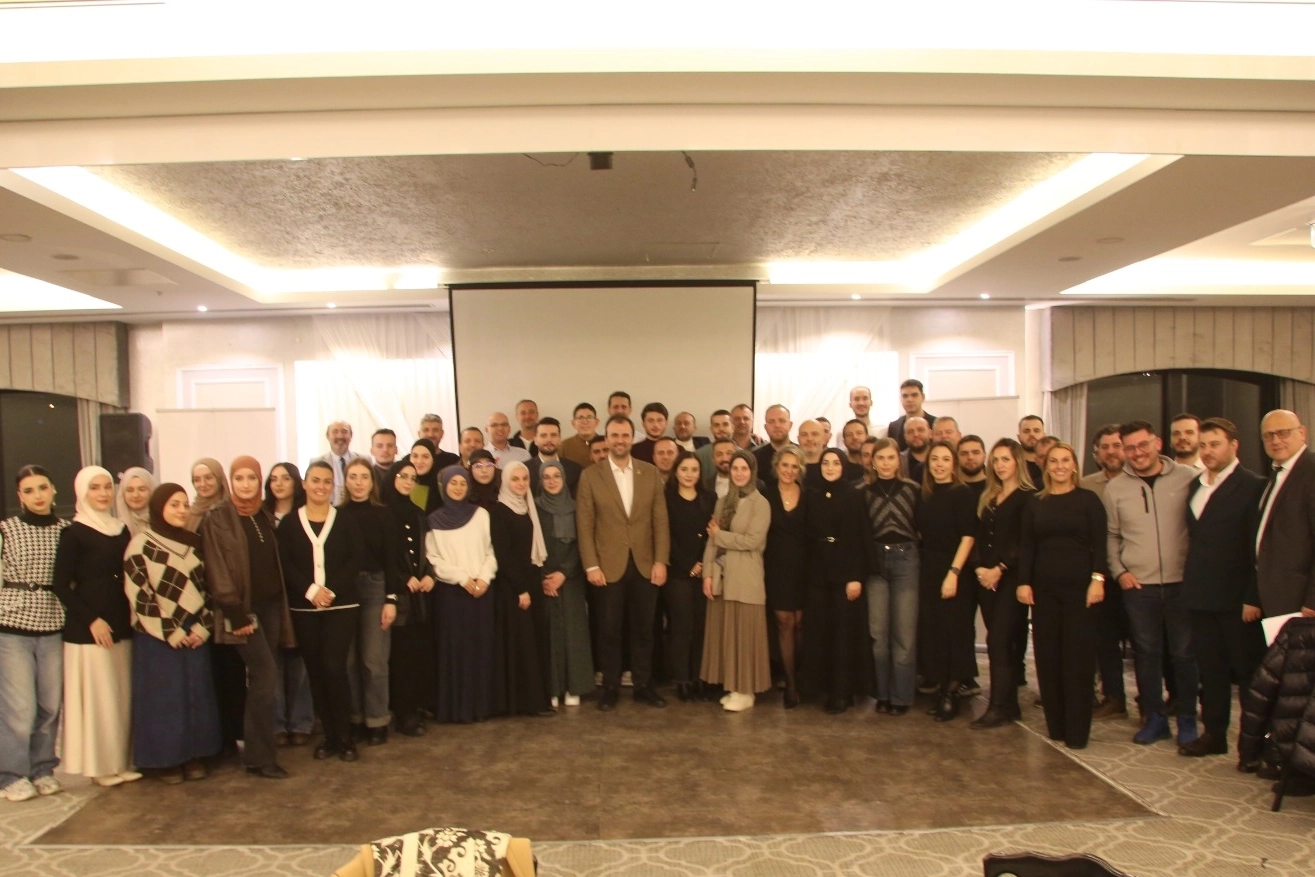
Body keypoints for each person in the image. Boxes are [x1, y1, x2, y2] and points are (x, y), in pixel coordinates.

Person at [1103, 419, 1198, 746]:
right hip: (1139, 587)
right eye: (1130, 448)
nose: (1137, 453)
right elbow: (1111, 535)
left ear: (1157, 443)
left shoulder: (1187, 478)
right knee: (1146, 655)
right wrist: (1119, 572)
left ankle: (1187, 719)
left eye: (1143, 445)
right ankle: (1155, 718)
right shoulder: (1116, 488)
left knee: (1184, 655)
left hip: (1182, 584)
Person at [200, 456, 296, 779]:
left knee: (263, 678)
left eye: (251, 478)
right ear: (231, 481)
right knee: (264, 675)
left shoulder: (263, 514)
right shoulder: (218, 518)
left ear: (259, 481)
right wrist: (235, 612)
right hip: (243, 611)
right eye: (239, 478)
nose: (245, 485)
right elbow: (216, 568)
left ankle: (260, 749)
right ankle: (258, 757)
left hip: (271, 606)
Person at [1180, 417, 1266, 758]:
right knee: (1211, 671)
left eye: (1215, 444)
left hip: (1237, 599)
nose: (1207, 451)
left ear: (1234, 445)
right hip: (1201, 596)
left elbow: (1258, 549)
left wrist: (1253, 596)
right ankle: (1214, 735)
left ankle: (1252, 745)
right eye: (1203, 445)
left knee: (1247, 674)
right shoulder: (1195, 485)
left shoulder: (1253, 486)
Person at [124, 483, 221, 783]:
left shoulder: (195, 543)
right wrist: (170, 631)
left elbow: (210, 589)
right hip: (157, 636)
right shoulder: (140, 545)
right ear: (159, 508)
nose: (181, 510)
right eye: (173, 505)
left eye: (184, 505)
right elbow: (140, 596)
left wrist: (202, 628)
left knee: (195, 695)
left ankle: (194, 755)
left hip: (194, 632)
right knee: (164, 699)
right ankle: (165, 761)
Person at [51, 466, 139, 787]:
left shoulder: (121, 529)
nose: (102, 493)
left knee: (119, 698)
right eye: (95, 488)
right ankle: (100, 767)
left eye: (106, 487)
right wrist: (92, 620)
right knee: (99, 700)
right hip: (90, 630)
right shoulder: (74, 533)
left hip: (121, 623)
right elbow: (61, 585)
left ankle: (119, 762)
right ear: (82, 492)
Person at [1017, 442, 1108, 750]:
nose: (1059, 466)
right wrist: (1023, 582)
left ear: (1074, 465)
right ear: (1046, 466)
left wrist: (1098, 579)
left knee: (1077, 659)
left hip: (1081, 590)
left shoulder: (1088, 500)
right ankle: (1056, 726)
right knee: (1048, 656)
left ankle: (1077, 731)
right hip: (1044, 591)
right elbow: (1027, 545)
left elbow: (1101, 544)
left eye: (1065, 460)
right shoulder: (1035, 503)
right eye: (1053, 461)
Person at [576, 414, 670, 711]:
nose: (620, 440)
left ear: (632, 438)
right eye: (614, 435)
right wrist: (591, 565)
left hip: (645, 564)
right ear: (607, 438)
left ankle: (643, 685)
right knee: (609, 631)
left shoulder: (649, 472)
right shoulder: (591, 475)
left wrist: (661, 561)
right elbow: (585, 525)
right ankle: (610, 686)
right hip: (607, 567)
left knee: (644, 630)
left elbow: (660, 521)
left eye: (625, 435)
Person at [276, 460, 365, 762]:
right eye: (315, 480)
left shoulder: (346, 520)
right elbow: (285, 562)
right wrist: (311, 590)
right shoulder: (290, 523)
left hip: (342, 605)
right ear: (304, 484)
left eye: (327, 481)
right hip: (304, 607)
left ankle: (345, 737)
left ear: (333, 486)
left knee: (334, 668)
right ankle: (328, 737)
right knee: (315, 671)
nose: (321, 486)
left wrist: (331, 590)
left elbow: (355, 559)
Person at [0, 465, 71, 802]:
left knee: (50, 704)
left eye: (42, 487)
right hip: (12, 625)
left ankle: (42, 768)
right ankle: (11, 774)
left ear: (53, 489)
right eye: (29, 490)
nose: (38, 495)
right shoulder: (7, 529)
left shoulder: (66, 530)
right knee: (19, 707)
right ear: (20, 496)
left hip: (53, 622)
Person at [969, 439, 1034, 730]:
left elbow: (1025, 541)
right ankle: (1010, 705)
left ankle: (997, 706)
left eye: (1005, 459)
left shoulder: (1028, 497)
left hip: (1011, 578)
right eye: (995, 460)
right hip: (986, 577)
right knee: (1000, 643)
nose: (1000, 465)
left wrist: (1000, 568)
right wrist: (980, 568)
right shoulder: (989, 496)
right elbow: (979, 536)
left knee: (998, 642)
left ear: (1017, 461)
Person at [700, 449, 771, 712]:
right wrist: (708, 575)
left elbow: (752, 541)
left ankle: (746, 690)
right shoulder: (723, 502)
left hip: (746, 578)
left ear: (752, 472)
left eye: (744, 468)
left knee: (745, 635)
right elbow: (711, 541)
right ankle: (733, 687)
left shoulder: (760, 503)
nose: (739, 473)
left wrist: (720, 536)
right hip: (722, 577)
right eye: (735, 469)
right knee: (728, 634)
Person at [426, 465, 497, 724]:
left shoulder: (481, 515)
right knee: (456, 652)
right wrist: (463, 578)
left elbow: (491, 551)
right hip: (452, 595)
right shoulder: (434, 520)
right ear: (443, 486)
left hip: (481, 592)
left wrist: (484, 577)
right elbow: (433, 559)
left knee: (481, 651)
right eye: (452, 483)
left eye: (462, 483)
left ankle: (480, 707)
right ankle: (457, 709)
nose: (458, 487)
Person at [338, 459, 400, 745]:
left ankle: (377, 720)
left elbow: (392, 559)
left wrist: (391, 599)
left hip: (376, 588)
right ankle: (354, 718)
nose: (359, 482)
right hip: (345, 590)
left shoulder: (384, 514)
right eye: (353, 476)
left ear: (373, 482)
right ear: (345, 480)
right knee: (348, 660)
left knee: (373, 660)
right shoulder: (337, 515)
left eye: (364, 476)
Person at [915, 441, 977, 721]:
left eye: (945, 459)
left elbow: (968, 537)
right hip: (928, 568)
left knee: (955, 632)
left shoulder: (962, 493)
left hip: (954, 569)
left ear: (954, 464)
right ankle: (942, 689)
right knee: (935, 632)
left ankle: (952, 693)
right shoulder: (925, 494)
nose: (939, 464)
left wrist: (953, 573)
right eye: (935, 459)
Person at [488, 461, 553, 717]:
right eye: (515, 479)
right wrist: (520, 589)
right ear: (505, 481)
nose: (521, 484)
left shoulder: (528, 508)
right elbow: (503, 555)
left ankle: (536, 700)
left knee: (533, 642)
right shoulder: (499, 511)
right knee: (520, 643)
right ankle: (522, 703)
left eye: (525, 479)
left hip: (531, 581)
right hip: (512, 587)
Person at [805, 448, 868, 714]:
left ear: (843, 467)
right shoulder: (813, 495)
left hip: (844, 570)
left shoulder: (853, 495)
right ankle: (823, 688)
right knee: (821, 631)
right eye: (825, 463)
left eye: (835, 463)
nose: (830, 467)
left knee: (843, 634)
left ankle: (843, 692)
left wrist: (855, 577)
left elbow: (859, 538)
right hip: (818, 570)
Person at [863, 438, 920, 716]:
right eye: (880, 458)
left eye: (890, 458)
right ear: (872, 462)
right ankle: (882, 694)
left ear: (899, 461)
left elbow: (921, 527)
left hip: (906, 559)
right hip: (875, 562)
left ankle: (901, 696)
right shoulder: (863, 492)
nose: (885, 463)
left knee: (904, 635)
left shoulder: (913, 490)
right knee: (878, 635)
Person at [262, 463, 315, 747]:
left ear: (297, 482)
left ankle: (301, 721)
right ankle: (277, 724)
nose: (279, 484)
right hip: (270, 596)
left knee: (301, 661)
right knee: (272, 661)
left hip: (301, 594)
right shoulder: (260, 515)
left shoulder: (305, 514)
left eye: (285, 478)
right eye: (273, 479)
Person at [384, 460, 437, 736]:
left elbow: (428, 550)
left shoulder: (418, 513)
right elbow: (382, 556)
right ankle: (402, 712)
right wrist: (403, 578)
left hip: (420, 596)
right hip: (396, 595)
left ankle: (417, 705)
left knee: (417, 652)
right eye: (402, 476)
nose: (407, 481)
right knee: (400, 656)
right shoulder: (383, 513)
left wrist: (430, 575)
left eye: (412, 478)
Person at [536, 460, 595, 707]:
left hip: (571, 578)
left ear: (564, 479)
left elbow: (583, 542)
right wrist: (544, 576)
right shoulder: (534, 507)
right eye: (546, 477)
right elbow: (530, 543)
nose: (552, 481)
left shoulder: (576, 507)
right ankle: (552, 687)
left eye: (556, 476)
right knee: (549, 633)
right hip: (543, 578)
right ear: (540, 481)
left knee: (573, 632)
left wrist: (564, 573)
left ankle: (575, 686)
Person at [1080, 424, 1128, 719]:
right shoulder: (1086, 486)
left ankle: (1156, 701)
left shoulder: (1138, 481)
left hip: (1136, 574)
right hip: (1101, 575)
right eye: (1105, 447)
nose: (1111, 452)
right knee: (1105, 640)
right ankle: (1114, 696)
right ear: (1096, 453)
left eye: (1117, 445)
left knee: (1147, 643)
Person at [1254, 409, 1315, 618]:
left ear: (1302, 433)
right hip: (1277, 598)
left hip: (1303, 602)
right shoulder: (1276, 474)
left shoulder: (1311, 471)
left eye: (1283, 433)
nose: (1275, 440)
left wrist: (1313, 601)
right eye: (1268, 435)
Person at [664, 451, 715, 702]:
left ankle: (699, 677)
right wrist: (688, 565)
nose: (689, 474)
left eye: (694, 470)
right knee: (681, 627)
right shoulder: (666, 498)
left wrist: (703, 563)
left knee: (701, 627)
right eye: (684, 469)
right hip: (678, 573)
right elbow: (665, 536)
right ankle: (682, 679)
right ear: (676, 471)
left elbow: (712, 534)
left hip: (704, 570)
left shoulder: (710, 498)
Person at [762, 444, 810, 708]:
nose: (789, 470)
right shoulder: (765, 495)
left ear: (800, 470)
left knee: (801, 623)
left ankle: (801, 675)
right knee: (784, 623)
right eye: (785, 465)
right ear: (776, 467)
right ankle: (790, 682)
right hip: (776, 567)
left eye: (794, 466)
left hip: (804, 567)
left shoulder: (809, 495)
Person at [526, 417, 583, 496]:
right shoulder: (525, 470)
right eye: (543, 435)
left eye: (553, 435)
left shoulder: (575, 470)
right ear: (535, 440)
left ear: (560, 439)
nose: (549, 439)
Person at [313, 420, 365, 506]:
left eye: (344, 431)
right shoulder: (316, 462)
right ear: (328, 436)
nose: (340, 436)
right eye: (335, 432)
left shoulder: (364, 461)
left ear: (351, 435)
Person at [887, 379, 936, 451]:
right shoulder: (894, 426)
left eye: (914, 395)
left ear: (923, 397)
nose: (909, 399)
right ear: (901, 399)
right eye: (905, 396)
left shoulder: (935, 423)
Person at [186, 457, 229, 533]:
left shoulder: (232, 511)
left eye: (208, 478)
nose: (203, 484)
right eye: (197, 480)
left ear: (219, 479)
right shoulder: (189, 514)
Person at [114, 467, 157, 539]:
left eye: (142, 489)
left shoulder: (163, 524)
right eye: (130, 490)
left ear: (151, 490)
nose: (135, 495)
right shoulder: (116, 529)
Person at [753, 404, 793, 478]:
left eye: (782, 421)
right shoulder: (754, 457)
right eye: (771, 421)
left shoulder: (802, 455)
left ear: (790, 425)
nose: (777, 425)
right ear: (765, 427)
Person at [695, 409, 734, 477]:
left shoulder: (742, 454)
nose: (721, 429)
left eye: (725, 424)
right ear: (711, 429)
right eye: (716, 425)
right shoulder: (699, 455)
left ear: (733, 427)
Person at [561, 403, 600, 468]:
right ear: (573, 423)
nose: (585, 422)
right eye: (580, 418)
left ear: (596, 422)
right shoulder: (564, 446)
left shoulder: (606, 443)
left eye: (589, 417)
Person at [408, 438, 442, 513]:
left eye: (425, 457)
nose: (419, 461)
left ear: (433, 460)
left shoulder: (441, 489)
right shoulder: (400, 484)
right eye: (415, 456)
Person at [900, 416, 932, 484]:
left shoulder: (941, 458)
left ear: (930, 433)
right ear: (905, 436)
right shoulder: (898, 461)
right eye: (910, 432)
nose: (916, 434)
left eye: (920, 430)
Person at [1017, 415, 1046, 485]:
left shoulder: (1052, 463)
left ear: (1044, 435)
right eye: (1026, 431)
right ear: (1019, 437)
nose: (1032, 434)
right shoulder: (1013, 465)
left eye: (1036, 430)